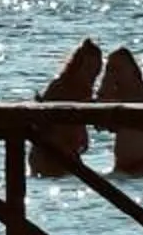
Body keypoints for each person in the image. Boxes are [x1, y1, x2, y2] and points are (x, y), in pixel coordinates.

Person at [29, 37, 103, 176]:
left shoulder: (85, 91)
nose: (92, 74)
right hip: (49, 153)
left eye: (96, 69)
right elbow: (44, 125)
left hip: (66, 153)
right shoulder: (60, 87)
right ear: (77, 65)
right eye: (88, 68)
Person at [97, 45, 143, 180]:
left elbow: (140, 108)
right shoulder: (112, 95)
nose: (116, 73)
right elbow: (100, 125)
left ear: (132, 69)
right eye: (111, 69)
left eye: (119, 68)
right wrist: (106, 84)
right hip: (123, 163)